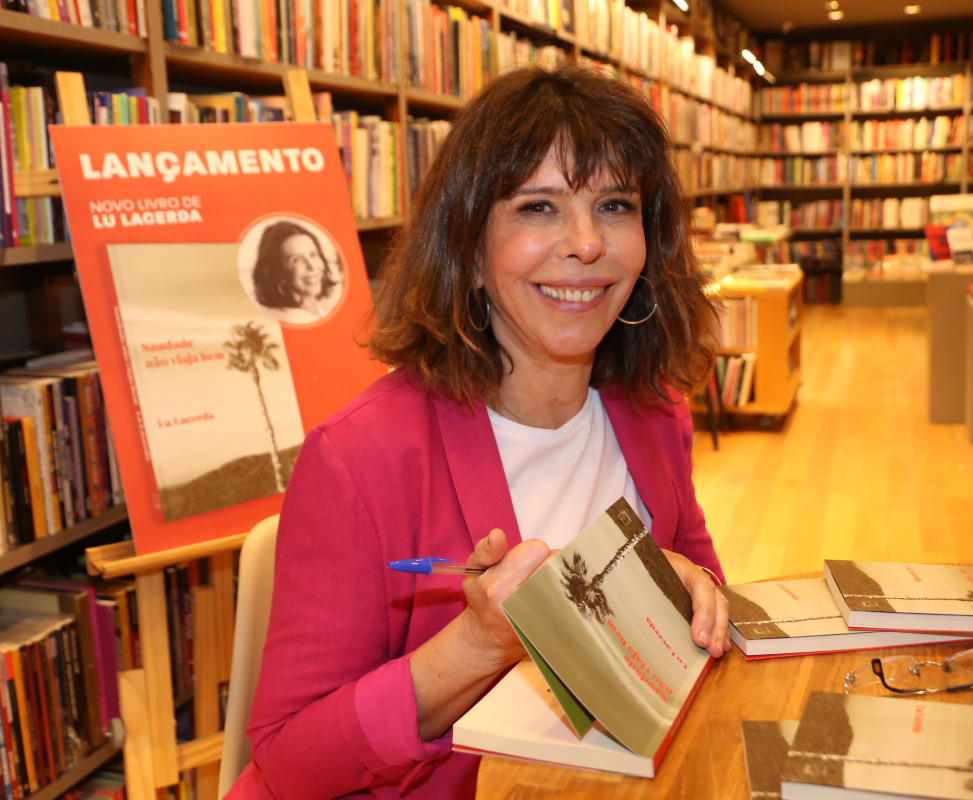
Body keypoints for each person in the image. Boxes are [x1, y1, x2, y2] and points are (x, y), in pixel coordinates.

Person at [226, 66, 728, 800]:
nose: (587, 243)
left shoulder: (655, 412)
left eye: (615, 205)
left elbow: (711, 610)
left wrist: (686, 595)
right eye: (538, 207)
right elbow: (290, 760)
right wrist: (478, 644)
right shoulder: (357, 460)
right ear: (468, 250)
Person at [253, 220, 344, 323]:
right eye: (297, 259)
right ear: (278, 273)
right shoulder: (294, 317)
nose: (312, 266)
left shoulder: (313, 308)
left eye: (313, 254)